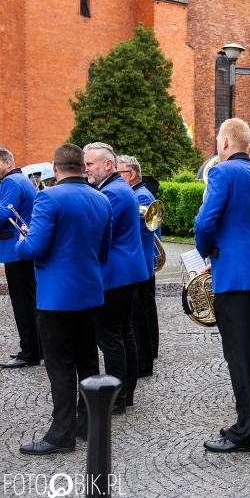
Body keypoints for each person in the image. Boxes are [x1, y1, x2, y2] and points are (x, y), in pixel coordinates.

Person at [16, 144, 112, 455]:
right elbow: (103, 250)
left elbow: (34, 248)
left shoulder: (48, 196)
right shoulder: (101, 198)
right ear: (82, 167)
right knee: (87, 361)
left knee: (59, 367)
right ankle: (87, 424)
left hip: (57, 297)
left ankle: (61, 434)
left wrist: (22, 241)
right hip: (89, 292)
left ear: (55, 168)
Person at [196, 118, 250, 453]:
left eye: (217, 139)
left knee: (241, 356)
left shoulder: (221, 172)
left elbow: (205, 220)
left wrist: (205, 250)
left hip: (236, 274)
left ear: (226, 143)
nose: (217, 144)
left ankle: (246, 433)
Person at [84, 142, 148, 415]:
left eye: (90, 164)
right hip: (125, 272)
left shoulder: (112, 193)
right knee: (123, 333)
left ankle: (118, 397)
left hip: (115, 274)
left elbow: (95, 232)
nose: (85, 168)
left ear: (107, 165)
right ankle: (127, 392)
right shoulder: (117, 189)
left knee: (111, 337)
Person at [117, 155, 159, 378]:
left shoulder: (140, 195)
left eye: (119, 173)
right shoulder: (140, 193)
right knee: (144, 312)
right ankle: (148, 352)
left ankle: (143, 362)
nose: (117, 176)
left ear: (131, 175)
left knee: (138, 316)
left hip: (140, 262)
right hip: (143, 261)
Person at [0, 148, 41, 369]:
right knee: (29, 302)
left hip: (16, 251)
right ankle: (36, 348)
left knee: (23, 304)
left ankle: (29, 353)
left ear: (7, 162)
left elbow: (3, 213)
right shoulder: (20, 179)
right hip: (22, 249)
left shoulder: (11, 182)